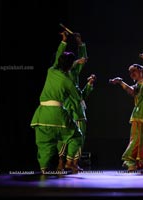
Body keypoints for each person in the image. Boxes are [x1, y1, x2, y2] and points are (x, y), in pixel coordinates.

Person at [30, 31, 84, 174]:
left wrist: (64, 41)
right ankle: (69, 161)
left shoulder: (51, 71)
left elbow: (57, 57)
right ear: (70, 66)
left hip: (41, 114)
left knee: (44, 144)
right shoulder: (68, 80)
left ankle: (43, 168)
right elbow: (78, 96)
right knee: (76, 136)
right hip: (58, 115)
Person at [109, 63, 143, 171]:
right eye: (130, 72)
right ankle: (130, 162)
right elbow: (131, 91)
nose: (132, 73)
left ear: (141, 72)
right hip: (139, 116)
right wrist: (120, 82)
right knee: (137, 139)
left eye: (134, 71)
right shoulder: (135, 87)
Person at [56, 32, 96, 171]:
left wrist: (80, 43)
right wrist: (75, 62)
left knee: (80, 136)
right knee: (64, 135)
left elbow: (83, 59)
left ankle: (72, 162)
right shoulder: (60, 73)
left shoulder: (73, 73)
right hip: (66, 107)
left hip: (78, 108)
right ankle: (61, 162)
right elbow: (66, 65)